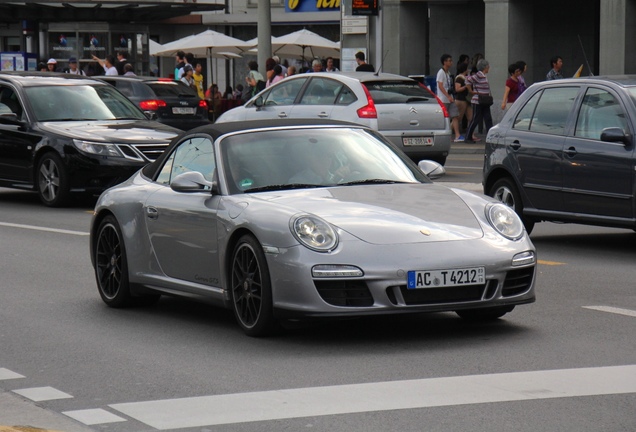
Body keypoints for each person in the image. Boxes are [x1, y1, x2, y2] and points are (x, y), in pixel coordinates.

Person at [465, 58, 493, 143]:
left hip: (483, 101)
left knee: (488, 119)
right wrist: (470, 90)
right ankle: (468, 137)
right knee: (476, 119)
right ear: (485, 67)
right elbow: (467, 80)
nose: (489, 68)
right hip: (478, 101)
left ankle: (490, 137)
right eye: (488, 66)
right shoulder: (479, 75)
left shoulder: (483, 75)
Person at [437, 54, 463, 142]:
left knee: (455, 115)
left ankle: (457, 135)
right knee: (445, 117)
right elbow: (440, 86)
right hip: (444, 99)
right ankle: (446, 135)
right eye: (449, 61)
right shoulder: (441, 72)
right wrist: (447, 96)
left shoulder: (447, 73)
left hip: (450, 98)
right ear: (445, 62)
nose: (451, 62)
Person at [454, 62, 472, 136]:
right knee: (458, 118)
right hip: (460, 100)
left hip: (467, 100)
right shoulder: (459, 78)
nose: (468, 70)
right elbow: (457, 89)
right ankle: (455, 133)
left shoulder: (467, 77)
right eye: (467, 69)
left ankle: (471, 134)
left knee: (471, 117)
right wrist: (465, 87)